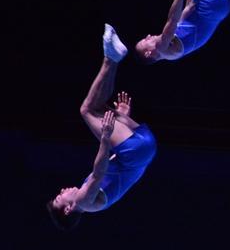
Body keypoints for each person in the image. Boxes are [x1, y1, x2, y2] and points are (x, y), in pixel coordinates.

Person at [47, 25, 157, 229]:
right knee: (86, 110)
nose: (62, 191)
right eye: (59, 198)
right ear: (67, 209)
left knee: (97, 107)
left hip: (142, 150)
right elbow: (99, 172)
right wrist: (106, 138)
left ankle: (112, 57)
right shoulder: (83, 202)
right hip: (136, 153)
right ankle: (110, 57)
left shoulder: (92, 201)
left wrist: (123, 119)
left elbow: (115, 168)